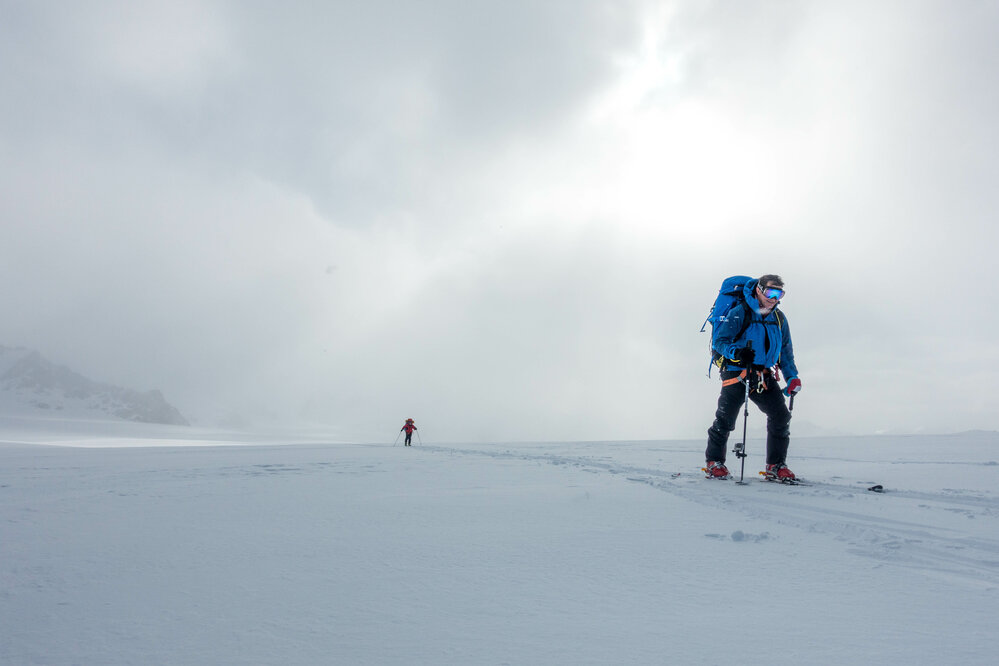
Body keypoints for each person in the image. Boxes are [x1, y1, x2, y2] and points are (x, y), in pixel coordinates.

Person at [704, 274, 802, 481]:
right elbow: (720, 341)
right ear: (758, 289)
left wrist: (792, 377)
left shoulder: (779, 319)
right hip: (736, 371)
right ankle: (714, 462)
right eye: (770, 292)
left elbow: (785, 352)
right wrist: (736, 353)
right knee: (726, 419)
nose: (774, 298)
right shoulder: (740, 313)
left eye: (779, 293)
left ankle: (775, 465)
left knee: (781, 416)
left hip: (763, 374)